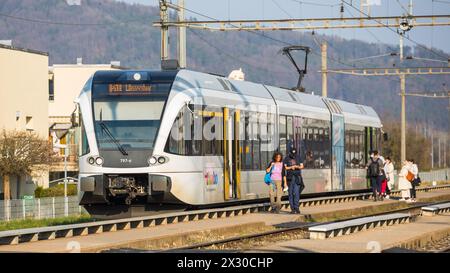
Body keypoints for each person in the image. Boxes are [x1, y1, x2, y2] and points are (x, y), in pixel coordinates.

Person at [283, 148, 304, 214]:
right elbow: (285, 167)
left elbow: (302, 166)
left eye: (294, 154)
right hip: (289, 177)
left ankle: (297, 208)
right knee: (290, 193)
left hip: (297, 177)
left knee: (296, 193)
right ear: (290, 153)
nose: (293, 155)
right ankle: (292, 209)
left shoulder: (298, 157)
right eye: (292, 154)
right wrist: (290, 167)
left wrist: (297, 166)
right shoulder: (286, 158)